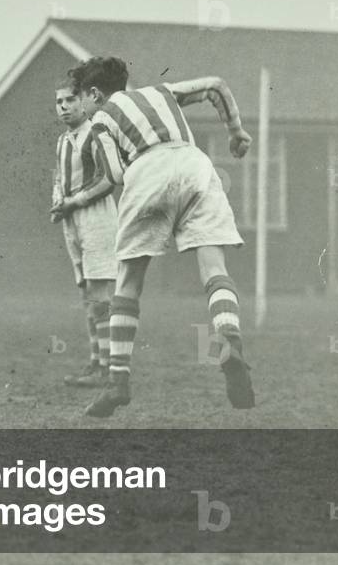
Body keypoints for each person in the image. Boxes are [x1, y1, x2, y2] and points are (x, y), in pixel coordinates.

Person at [68, 57, 255, 417]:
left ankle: (117, 383)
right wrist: (235, 131)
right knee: (213, 267)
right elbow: (215, 82)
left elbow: (119, 175)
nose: (81, 106)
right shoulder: (161, 92)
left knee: (129, 281)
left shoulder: (101, 121)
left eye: (82, 98)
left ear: (95, 93)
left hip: (147, 170)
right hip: (195, 164)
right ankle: (229, 335)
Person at [49, 76, 117, 388]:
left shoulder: (97, 133)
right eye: (59, 102)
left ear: (84, 102)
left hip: (96, 217)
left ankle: (108, 369)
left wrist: (74, 201)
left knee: (100, 295)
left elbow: (109, 179)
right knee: (87, 295)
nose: (63, 107)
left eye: (70, 100)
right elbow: (58, 179)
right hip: (72, 220)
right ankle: (96, 361)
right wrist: (57, 202)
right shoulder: (63, 141)